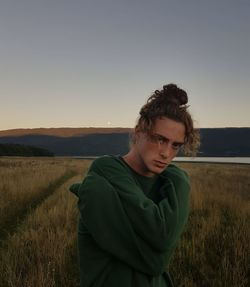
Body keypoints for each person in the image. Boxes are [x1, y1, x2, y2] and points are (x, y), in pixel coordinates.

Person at [70, 83, 200, 287]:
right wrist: (182, 181)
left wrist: (181, 179)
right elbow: (158, 256)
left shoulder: (173, 181)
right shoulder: (105, 173)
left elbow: (161, 237)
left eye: (175, 145)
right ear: (139, 132)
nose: (166, 153)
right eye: (159, 139)